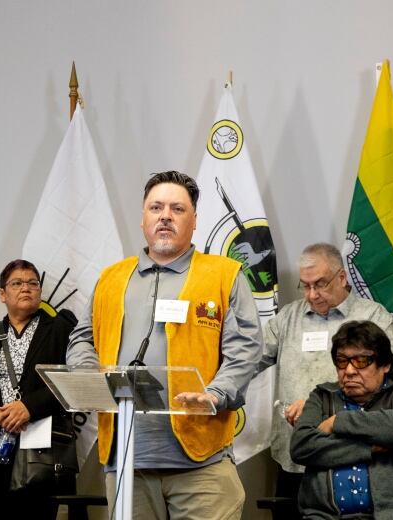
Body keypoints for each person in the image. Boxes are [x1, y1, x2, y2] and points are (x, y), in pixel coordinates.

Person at [66, 170, 263, 520]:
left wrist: (215, 394)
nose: (165, 216)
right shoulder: (111, 278)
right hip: (126, 461)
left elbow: (245, 349)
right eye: (156, 208)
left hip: (201, 463)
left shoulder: (224, 274)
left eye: (177, 209)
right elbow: (82, 338)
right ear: (143, 218)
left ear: (194, 220)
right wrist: (90, 378)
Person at [258, 242, 393, 499]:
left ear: (342, 277)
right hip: (295, 456)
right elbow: (250, 359)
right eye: (306, 285)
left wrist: (315, 407)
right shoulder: (288, 318)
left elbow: (381, 383)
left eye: (320, 284)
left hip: (349, 455)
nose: (312, 294)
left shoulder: (373, 318)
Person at [0, 259, 76, 520]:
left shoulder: (61, 331)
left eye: (33, 283)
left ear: (40, 292)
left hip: (41, 449)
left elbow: (72, 379)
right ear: (2, 294)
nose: (26, 288)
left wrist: (30, 407)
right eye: (17, 283)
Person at [290, 320, 393, 519]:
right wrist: (370, 447)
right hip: (324, 516)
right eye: (341, 361)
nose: (349, 371)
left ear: (385, 365)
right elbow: (301, 446)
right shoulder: (322, 396)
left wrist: (337, 421)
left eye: (361, 361)